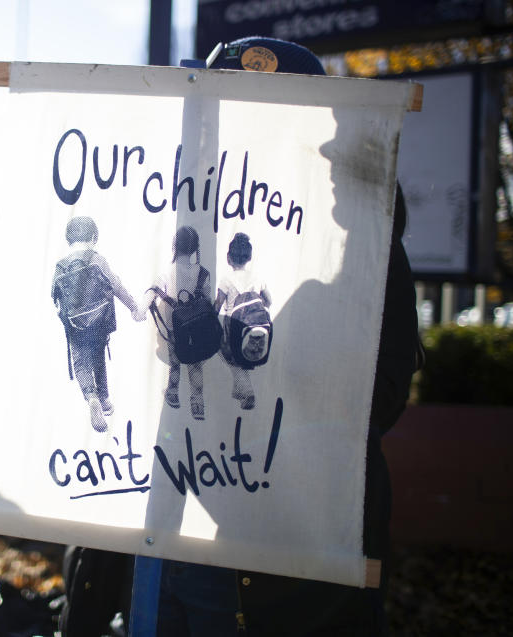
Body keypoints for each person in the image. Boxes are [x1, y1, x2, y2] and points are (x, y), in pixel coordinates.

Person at [152, 36, 422, 636]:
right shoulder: (173, 225)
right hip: (160, 536)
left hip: (281, 562)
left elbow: (377, 398)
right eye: (229, 116)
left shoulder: (350, 255)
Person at [52, 215, 142, 432]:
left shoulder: (61, 266)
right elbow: (116, 286)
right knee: (98, 358)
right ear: (93, 237)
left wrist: (68, 319)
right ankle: (103, 397)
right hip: (99, 321)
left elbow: (55, 297)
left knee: (81, 362)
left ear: (68, 239)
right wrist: (133, 307)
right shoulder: (97, 259)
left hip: (75, 325)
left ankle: (90, 396)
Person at [142, 225, 214, 420]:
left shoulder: (167, 272)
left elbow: (153, 290)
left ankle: (173, 393)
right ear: (195, 248)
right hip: (197, 330)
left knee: (175, 364)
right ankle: (197, 404)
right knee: (195, 366)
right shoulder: (203, 273)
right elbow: (208, 300)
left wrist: (140, 310)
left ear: (175, 246)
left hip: (175, 330)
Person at [214, 232, 272, 411]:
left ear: (228, 258)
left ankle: (247, 392)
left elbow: (217, 307)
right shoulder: (258, 279)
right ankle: (238, 390)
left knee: (226, 354)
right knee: (241, 358)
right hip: (255, 328)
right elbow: (268, 301)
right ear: (249, 257)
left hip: (234, 327)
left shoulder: (226, 280)